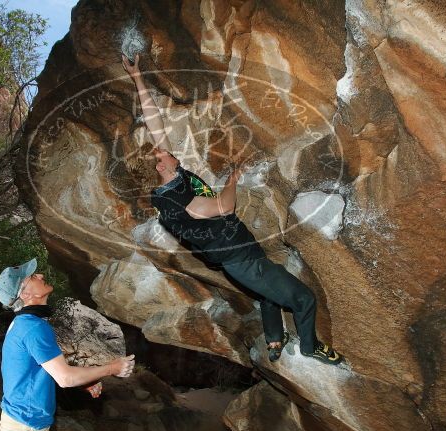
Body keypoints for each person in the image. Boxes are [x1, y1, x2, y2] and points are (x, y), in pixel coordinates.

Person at [121, 53, 343, 365]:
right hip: (238, 258)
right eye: (162, 153)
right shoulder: (174, 201)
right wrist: (234, 178)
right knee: (303, 298)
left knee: (268, 290)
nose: (166, 149)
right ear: (160, 167)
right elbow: (224, 207)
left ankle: (275, 339)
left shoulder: (169, 180)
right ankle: (311, 346)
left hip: (238, 251)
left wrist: (137, 78)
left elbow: (154, 122)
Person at [0, 258, 135, 431]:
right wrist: (112, 368)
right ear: (25, 293)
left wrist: (87, 382)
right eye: (32, 276)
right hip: (26, 427)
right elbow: (65, 377)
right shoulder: (33, 327)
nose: (41, 274)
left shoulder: (26, 323)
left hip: (25, 422)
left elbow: (50, 368)